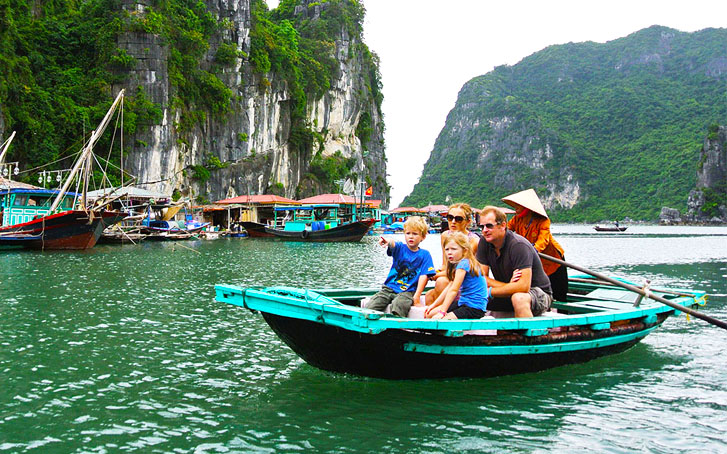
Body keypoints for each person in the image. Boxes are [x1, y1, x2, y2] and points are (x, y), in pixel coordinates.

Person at [475, 206, 553, 318]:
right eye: (481, 227)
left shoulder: (518, 245)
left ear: (503, 225)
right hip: (508, 291)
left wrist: (491, 291)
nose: (484, 230)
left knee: (519, 298)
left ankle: (530, 334)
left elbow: (523, 287)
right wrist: (510, 286)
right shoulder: (484, 242)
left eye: (489, 226)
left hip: (537, 293)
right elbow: (481, 279)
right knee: (468, 295)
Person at [501, 188, 568, 302]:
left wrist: (533, 251)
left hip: (553, 259)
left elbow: (544, 240)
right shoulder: (516, 220)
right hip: (535, 261)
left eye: (519, 205)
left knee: (559, 292)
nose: (516, 208)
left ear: (527, 207)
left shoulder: (542, 221)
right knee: (536, 287)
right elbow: (505, 231)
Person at [365, 216, 436, 317]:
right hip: (389, 288)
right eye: (408, 233)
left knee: (399, 305)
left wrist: (417, 296)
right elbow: (392, 244)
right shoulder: (400, 248)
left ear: (423, 237)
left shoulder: (425, 255)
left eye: (415, 234)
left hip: (407, 291)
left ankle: (396, 327)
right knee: (372, 305)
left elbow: (424, 276)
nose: (411, 237)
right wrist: (387, 241)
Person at [424, 231, 489, 320]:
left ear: (464, 250)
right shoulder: (458, 263)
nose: (449, 252)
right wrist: (434, 305)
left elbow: (454, 290)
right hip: (463, 303)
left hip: (473, 308)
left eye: (454, 249)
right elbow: (449, 287)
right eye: (447, 249)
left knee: (439, 319)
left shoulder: (464, 264)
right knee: (429, 314)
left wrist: (442, 312)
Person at [424, 203, 480, 306]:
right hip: (450, 275)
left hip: (464, 279)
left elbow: (459, 270)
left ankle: (444, 313)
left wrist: (435, 275)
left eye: (458, 219)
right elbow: (445, 265)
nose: (453, 222)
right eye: (450, 218)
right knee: (429, 295)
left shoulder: (473, 241)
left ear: (468, 222)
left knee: (441, 282)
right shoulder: (445, 235)